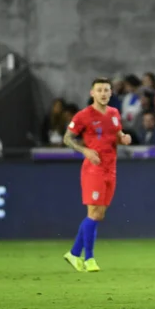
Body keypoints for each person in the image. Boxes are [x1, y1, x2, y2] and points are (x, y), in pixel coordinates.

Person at [62, 77, 132, 272]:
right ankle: (89, 258)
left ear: (110, 93)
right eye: (99, 90)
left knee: (98, 214)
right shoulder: (84, 115)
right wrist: (84, 150)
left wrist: (124, 138)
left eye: (106, 90)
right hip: (93, 169)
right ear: (92, 93)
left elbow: (117, 136)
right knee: (94, 213)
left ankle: (74, 253)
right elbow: (67, 138)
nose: (103, 93)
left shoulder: (114, 113)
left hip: (111, 168)